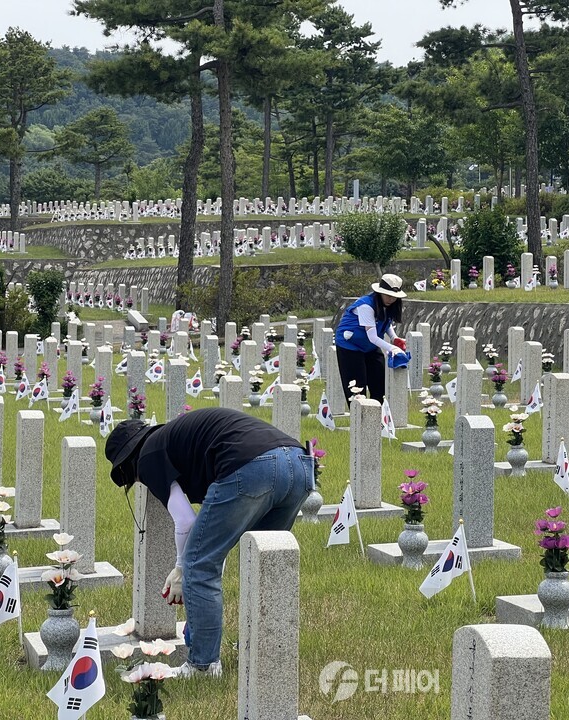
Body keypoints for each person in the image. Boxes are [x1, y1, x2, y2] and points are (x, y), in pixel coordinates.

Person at [104, 408, 312, 678]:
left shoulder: (148, 455)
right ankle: (266, 649)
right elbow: (214, 536)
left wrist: (182, 569)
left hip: (252, 467)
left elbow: (186, 522)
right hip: (298, 463)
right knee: (265, 563)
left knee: (198, 565)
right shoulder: (175, 439)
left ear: (128, 462)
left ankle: (203, 666)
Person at [334, 273, 408, 404]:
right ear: (380, 293)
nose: (391, 299)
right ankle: (360, 420)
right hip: (351, 346)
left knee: (379, 382)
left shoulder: (388, 306)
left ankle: (379, 418)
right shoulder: (366, 306)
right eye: (388, 295)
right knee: (357, 385)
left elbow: (385, 322)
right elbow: (373, 336)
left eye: (395, 297)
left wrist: (394, 337)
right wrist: (393, 348)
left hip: (370, 346)